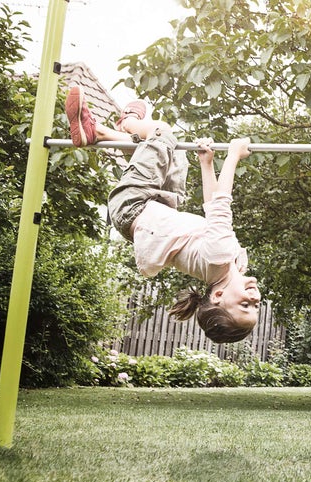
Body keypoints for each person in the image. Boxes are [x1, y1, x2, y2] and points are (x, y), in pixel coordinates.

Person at [65, 85, 261, 343]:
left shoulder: (221, 256)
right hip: (158, 208)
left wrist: (234, 155)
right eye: (255, 307)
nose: (255, 299)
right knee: (176, 154)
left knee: (161, 134)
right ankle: (99, 133)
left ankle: (130, 122)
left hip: (133, 206)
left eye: (245, 306)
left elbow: (221, 203)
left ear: (217, 296)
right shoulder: (234, 263)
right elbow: (211, 205)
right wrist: (207, 163)